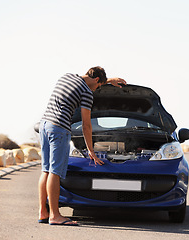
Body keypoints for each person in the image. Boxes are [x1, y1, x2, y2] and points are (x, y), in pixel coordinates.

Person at [38, 66, 126, 226]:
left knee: (45, 170)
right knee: (55, 172)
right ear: (97, 80)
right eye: (99, 86)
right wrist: (91, 150)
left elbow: (88, 82)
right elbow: (86, 125)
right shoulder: (86, 93)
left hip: (44, 125)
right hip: (59, 128)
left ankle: (43, 212)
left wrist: (108, 81)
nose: (97, 90)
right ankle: (55, 216)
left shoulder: (67, 76)